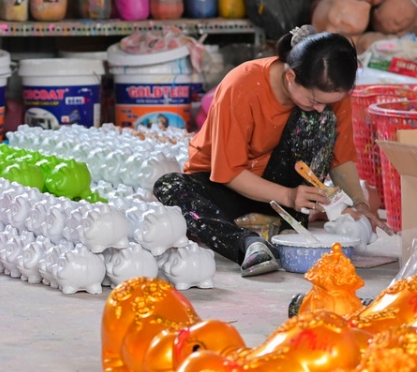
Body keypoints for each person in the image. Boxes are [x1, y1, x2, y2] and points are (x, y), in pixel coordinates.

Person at [155, 26, 386, 277]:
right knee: (169, 187)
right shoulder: (242, 85)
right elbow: (229, 173)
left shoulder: (329, 96)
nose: (321, 108)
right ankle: (248, 244)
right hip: (227, 187)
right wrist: (288, 196)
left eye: (326, 102)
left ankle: (288, 223)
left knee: (319, 121)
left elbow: (340, 159)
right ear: (290, 77)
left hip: (286, 192)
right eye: (314, 100)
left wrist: (359, 203)